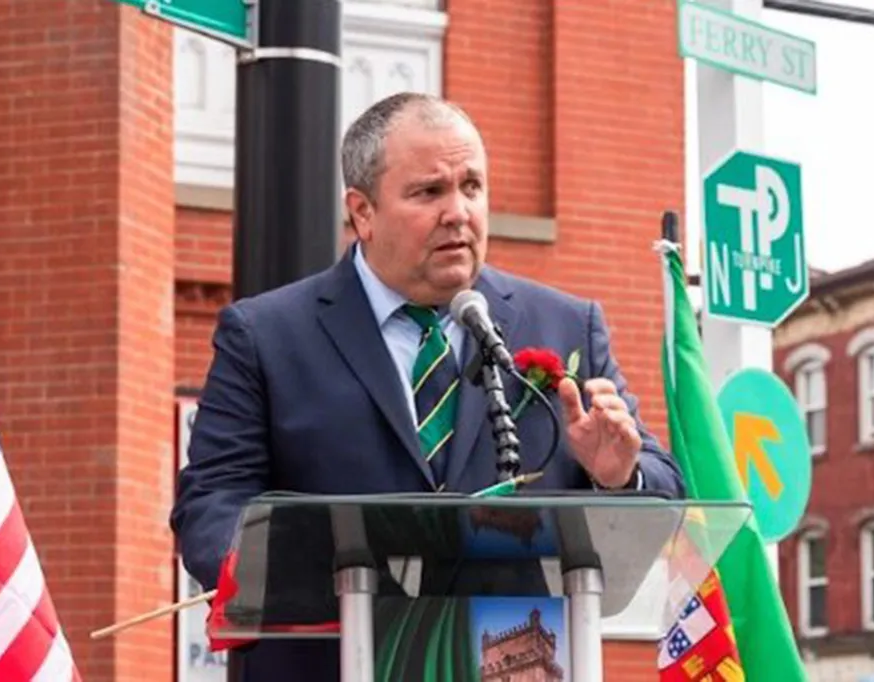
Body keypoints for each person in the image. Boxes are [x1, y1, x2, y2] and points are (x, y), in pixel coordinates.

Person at [171, 92, 684, 681]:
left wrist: (619, 475)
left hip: (509, 658)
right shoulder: (266, 335)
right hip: (329, 660)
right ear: (362, 212)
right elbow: (211, 503)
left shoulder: (566, 325)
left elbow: (663, 488)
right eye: (428, 192)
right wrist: (284, 566)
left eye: (472, 186)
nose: (458, 212)